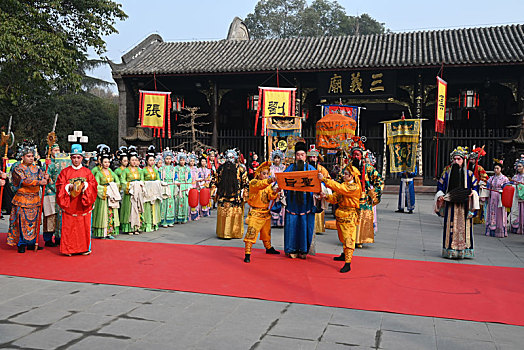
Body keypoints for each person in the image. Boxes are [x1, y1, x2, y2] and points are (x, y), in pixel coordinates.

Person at [435, 146, 479, 259]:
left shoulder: (469, 174)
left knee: (464, 227)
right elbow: (440, 187)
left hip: (464, 206)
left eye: (458, 159)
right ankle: (450, 250)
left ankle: (464, 250)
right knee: (451, 227)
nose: (456, 161)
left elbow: (475, 187)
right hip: (451, 206)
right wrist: (440, 196)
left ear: (463, 160)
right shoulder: (447, 174)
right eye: (454, 159)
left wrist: (472, 193)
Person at [56, 144, 98, 256]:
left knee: (82, 227)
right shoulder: (65, 172)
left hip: (82, 204)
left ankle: (83, 248)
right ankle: (68, 249)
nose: (76, 160)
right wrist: (67, 187)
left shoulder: (87, 172)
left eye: (78, 157)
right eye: (74, 157)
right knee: (69, 227)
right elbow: (59, 185)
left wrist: (86, 186)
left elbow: (94, 185)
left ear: (82, 158)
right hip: (70, 205)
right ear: (71, 158)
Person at [7, 142, 49, 253]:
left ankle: (32, 243)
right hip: (22, 199)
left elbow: (43, 179)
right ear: (22, 157)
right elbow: (25, 181)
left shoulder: (37, 168)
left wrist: (46, 177)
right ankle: (21, 244)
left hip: (35, 199)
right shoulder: (18, 168)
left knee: (34, 222)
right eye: (28, 156)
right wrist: (40, 182)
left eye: (32, 156)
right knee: (21, 222)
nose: (31, 158)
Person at [320, 164, 362, 273]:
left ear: (352, 176)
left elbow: (339, 188)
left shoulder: (354, 187)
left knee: (349, 239)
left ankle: (348, 263)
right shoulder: (344, 186)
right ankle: (344, 255)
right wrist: (326, 196)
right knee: (343, 237)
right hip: (341, 214)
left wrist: (325, 180)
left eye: (346, 174)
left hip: (350, 215)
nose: (344, 175)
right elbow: (335, 198)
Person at [282, 141, 320, 259]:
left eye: (302, 155)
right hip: (292, 203)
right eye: (298, 155)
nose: (300, 157)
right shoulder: (290, 168)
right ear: (295, 156)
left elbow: (319, 184)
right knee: (292, 226)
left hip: (306, 203)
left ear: (306, 156)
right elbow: (282, 181)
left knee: (305, 226)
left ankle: (303, 250)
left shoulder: (311, 169)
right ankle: (291, 249)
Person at [348, 139, 383, 248]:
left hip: (364, 197)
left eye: (357, 155)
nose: (356, 157)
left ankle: (361, 239)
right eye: (354, 155)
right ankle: (351, 239)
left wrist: (374, 192)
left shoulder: (368, 168)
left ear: (361, 156)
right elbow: (340, 179)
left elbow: (379, 181)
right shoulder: (348, 168)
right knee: (351, 219)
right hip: (351, 197)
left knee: (363, 219)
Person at [243, 161, 281, 263]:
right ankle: (247, 253)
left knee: (266, 233)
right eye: (264, 173)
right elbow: (260, 185)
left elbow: (269, 196)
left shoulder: (268, 185)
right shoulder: (253, 183)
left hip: (265, 212)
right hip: (255, 212)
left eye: (267, 174)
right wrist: (270, 180)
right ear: (258, 174)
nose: (265, 176)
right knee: (251, 233)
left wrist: (276, 193)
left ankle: (268, 248)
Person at [211, 148, 248, 239]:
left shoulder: (241, 169)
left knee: (235, 215)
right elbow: (214, 180)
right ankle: (222, 233)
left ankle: (235, 233)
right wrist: (214, 190)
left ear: (235, 158)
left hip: (236, 197)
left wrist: (244, 193)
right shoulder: (221, 168)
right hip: (223, 196)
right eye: (227, 157)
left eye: (231, 157)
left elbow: (246, 183)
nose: (229, 160)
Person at [92, 148, 121, 239]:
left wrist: (114, 186)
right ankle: (102, 233)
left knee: (111, 213)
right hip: (103, 196)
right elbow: (96, 185)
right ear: (101, 163)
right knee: (103, 214)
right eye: (105, 162)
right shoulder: (99, 173)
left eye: (108, 162)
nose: (107, 164)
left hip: (110, 195)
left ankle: (110, 232)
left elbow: (118, 182)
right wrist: (106, 190)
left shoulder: (111, 172)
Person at [119, 147, 143, 234]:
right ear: (129, 160)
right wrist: (130, 186)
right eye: (132, 160)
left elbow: (142, 180)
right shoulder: (125, 171)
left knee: (137, 209)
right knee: (129, 210)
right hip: (130, 193)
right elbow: (122, 181)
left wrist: (140, 184)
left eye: (135, 160)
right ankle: (129, 228)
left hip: (137, 193)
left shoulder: (139, 171)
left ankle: (136, 227)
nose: (134, 162)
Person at [307, 145, 330, 234]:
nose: (313, 159)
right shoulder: (306, 167)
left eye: (314, 157)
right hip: (309, 191)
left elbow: (328, 179)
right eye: (311, 157)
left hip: (319, 191)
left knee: (319, 207)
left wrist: (322, 185)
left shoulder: (321, 169)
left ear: (317, 158)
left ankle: (318, 228)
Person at [42, 143, 61, 247]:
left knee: (60, 216)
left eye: (58, 150)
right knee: (50, 215)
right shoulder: (47, 164)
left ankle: (59, 237)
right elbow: (47, 178)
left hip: (61, 192)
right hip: (50, 192)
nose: (57, 152)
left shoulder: (63, 162)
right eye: (55, 150)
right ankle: (48, 238)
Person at [484, 160, 510, 237]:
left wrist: (503, 190)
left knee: (500, 213)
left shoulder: (504, 179)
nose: (496, 170)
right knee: (492, 212)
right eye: (495, 168)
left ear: (501, 169)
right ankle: (491, 229)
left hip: (500, 197)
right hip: (492, 197)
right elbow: (488, 187)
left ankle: (500, 230)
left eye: (497, 168)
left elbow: (507, 188)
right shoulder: (491, 178)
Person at [141, 146, 161, 232]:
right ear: (146, 161)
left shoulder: (155, 170)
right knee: (147, 208)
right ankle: (147, 225)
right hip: (147, 192)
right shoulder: (143, 170)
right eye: (150, 160)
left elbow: (158, 180)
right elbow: (142, 180)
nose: (152, 162)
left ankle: (154, 224)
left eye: (153, 160)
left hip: (154, 192)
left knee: (155, 207)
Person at [468, 146, 489, 224]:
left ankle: (479, 218)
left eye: (473, 159)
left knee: (478, 203)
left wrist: (481, 182)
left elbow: (485, 177)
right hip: (470, 186)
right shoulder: (469, 167)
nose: (471, 161)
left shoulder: (479, 168)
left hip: (477, 186)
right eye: (470, 159)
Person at [159, 148, 176, 227]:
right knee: (164, 202)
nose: (168, 160)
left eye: (170, 159)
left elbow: (175, 178)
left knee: (171, 202)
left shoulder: (173, 169)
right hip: (164, 185)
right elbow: (159, 178)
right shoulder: (161, 169)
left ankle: (170, 220)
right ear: (164, 159)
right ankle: (163, 221)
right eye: (167, 159)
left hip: (171, 185)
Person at [173, 152, 191, 224]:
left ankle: (184, 218)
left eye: (184, 160)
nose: (182, 162)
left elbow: (190, 178)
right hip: (179, 186)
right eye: (181, 160)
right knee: (178, 202)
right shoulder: (176, 168)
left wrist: (188, 184)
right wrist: (177, 183)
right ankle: (177, 218)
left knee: (185, 202)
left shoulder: (187, 169)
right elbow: (174, 177)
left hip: (185, 185)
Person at [269, 149, 286, 227]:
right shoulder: (270, 168)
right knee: (273, 204)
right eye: (275, 158)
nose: (277, 160)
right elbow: (269, 178)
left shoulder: (284, 168)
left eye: (278, 158)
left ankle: (281, 222)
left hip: (282, 188)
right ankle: (273, 222)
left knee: (282, 204)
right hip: (273, 188)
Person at [511, 158, 524, 234]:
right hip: (516, 197)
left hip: (523, 197)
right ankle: (515, 227)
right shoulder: (515, 177)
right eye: (518, 166)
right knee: (516, 211)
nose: (518, 168)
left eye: (520, 166)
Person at [188, 154, 200, 221]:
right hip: (189, 186)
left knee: (195, 201)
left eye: (193, 161)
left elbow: (197, 177)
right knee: (189, 201)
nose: (192, 162)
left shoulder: (196, 169)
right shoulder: (187, 168)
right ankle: (189, 215)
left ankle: (195, 215)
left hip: (195, 186)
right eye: (191, 161)